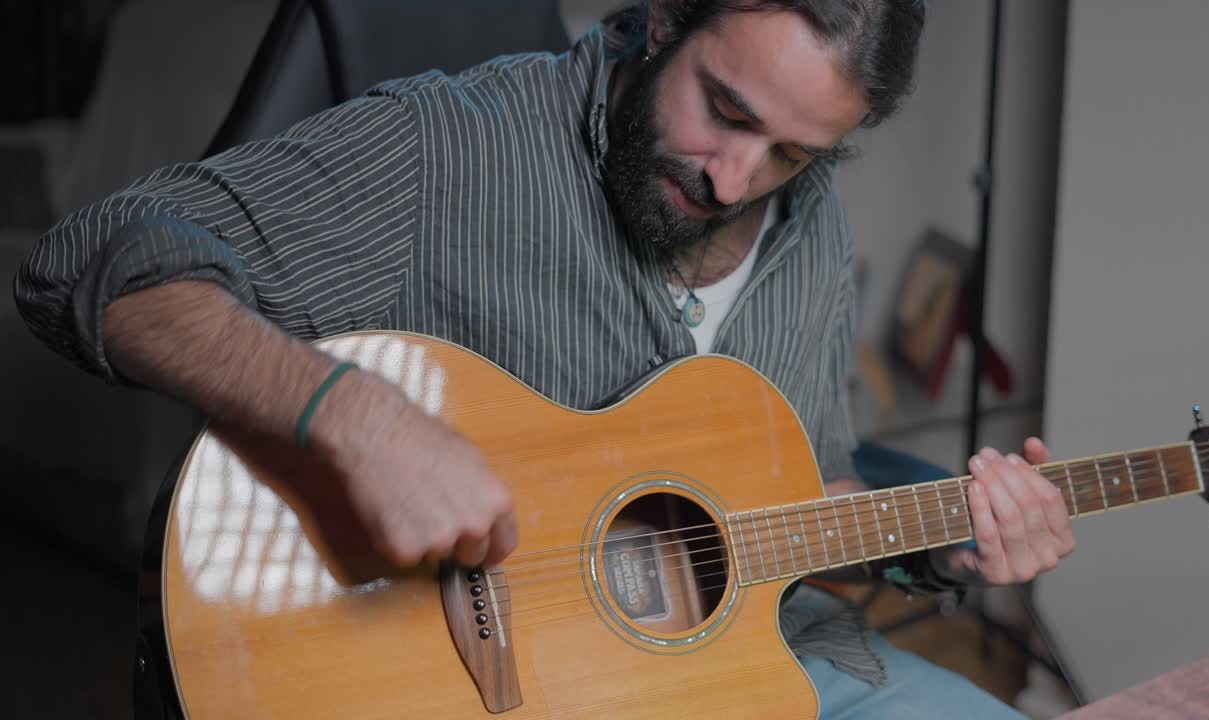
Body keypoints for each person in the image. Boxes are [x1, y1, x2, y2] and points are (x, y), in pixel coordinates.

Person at [13, 0, 1075, 717]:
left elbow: (800, 492)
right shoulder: (453, 144)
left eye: (792, 153)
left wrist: (940, 544)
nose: (734, 180)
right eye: (724, 111)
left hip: (756, 666)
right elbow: (90, 261)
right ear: (663, 20)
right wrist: (347, 414)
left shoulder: (812, 226)